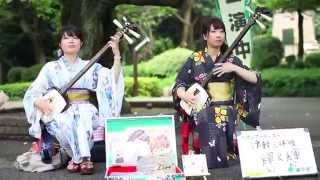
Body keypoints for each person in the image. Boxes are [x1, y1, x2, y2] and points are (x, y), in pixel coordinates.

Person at [23, 25, 124, 174]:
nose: (71, 40)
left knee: (81, 114)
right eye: (66, 37)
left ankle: (78, 159)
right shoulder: (51, 68)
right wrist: (40, 102)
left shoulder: (90, 66)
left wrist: (116, 54)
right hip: (59, 111)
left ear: (81, 43)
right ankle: (82, 158)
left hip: (85, 110)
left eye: (75, 37)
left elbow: (111, 80)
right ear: (60, 44)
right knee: (70, 118)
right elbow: (33, 92)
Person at [172, 17, 259, 169]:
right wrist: (184, 95)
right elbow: (179, 83)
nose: (219, 35)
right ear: (205, 35)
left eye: (221, 31)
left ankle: (219, 155)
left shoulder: (231, 59)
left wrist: (234, 68)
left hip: (226, 107)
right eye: (214, 31)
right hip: (201, 108)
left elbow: (254, 78)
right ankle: (213, 156)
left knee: (219, 113)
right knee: (206, 114)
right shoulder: (195, 59)